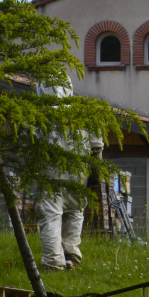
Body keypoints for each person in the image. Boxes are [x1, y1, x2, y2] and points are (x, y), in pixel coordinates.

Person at [35, 78, 101, 271]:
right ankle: (70, 257)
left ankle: (54, 265)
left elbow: (28, 147)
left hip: (51, 178)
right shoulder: (86, 115)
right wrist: (94, 177)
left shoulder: (40, 116)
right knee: (74, 213)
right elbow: (96, 149)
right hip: (78, 177)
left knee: (51, 218)